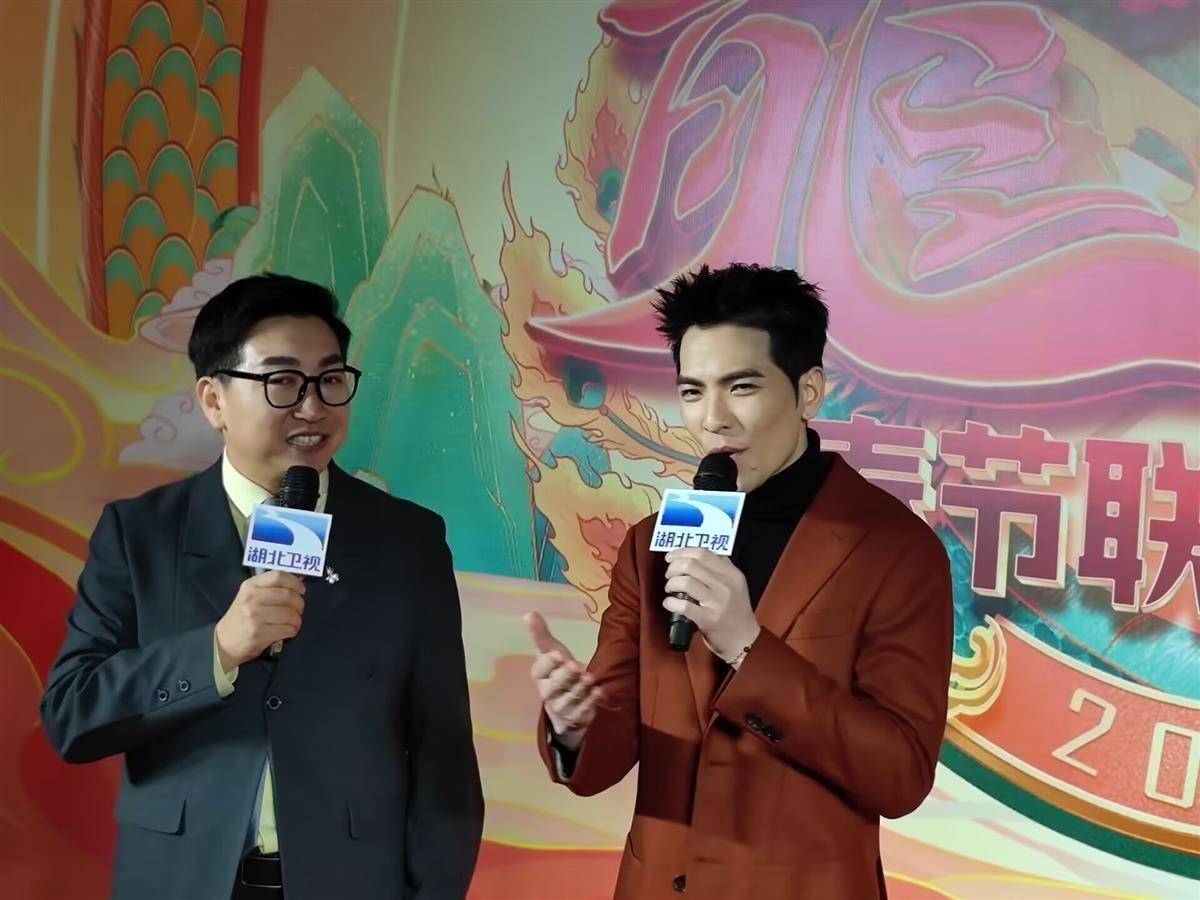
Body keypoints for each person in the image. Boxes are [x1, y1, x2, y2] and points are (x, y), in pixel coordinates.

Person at [41, 273, 483, 900]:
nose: (313, 407)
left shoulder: (407, 542)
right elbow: (72, 715)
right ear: (213, 400)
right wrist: (217, 650)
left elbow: (445, 756)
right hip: (180, 881)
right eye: (282, 382)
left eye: (330, 379)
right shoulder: (139, 534)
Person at [526, 264, 953, 899]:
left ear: (809, 392)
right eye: (692, 391)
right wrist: (573, 724)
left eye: (742, 387)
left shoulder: (896, 549)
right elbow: (608, 749)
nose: (713, 420)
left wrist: (748, 649)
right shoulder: (650, 543)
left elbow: (900, 775)